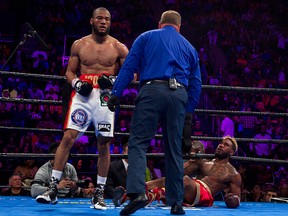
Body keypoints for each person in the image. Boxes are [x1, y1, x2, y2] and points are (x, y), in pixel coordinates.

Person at [108, 10, 201, 215]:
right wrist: (188, 113)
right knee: (174, 149)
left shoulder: (146, 37)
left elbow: (129, 66)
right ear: (179, 27)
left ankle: (137, 193)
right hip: (179, 95)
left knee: (139, 142)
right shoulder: (189, 47)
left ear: (160, 24)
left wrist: (116, 93)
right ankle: (176, 203)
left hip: (152, 90)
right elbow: (196, 84)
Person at [35, 7, 129, 210]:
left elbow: (132, 75)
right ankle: (52, 188)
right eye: (100, 18)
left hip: (105, 97)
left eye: (107, 19)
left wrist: (113, 79)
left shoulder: (119, 47)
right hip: (83, 95)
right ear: (91, 21)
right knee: (68, 137)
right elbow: (69, 72)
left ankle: (99, 193)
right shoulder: (79, 44)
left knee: (103, 143)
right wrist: (77, 83)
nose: (103, 22)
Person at [114, 136, 241, 209]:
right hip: (191, 187)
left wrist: (231, 198)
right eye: (221, 143)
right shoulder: (204, 162)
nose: (221, 145)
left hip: (205, 196)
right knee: (167, 179)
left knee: (185, 180)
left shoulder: (233, 173)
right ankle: (128, 195)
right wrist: (191, 160)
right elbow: (179, 172)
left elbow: (237, 201)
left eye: (226, 145)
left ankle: (152, 195)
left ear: (232, 152)